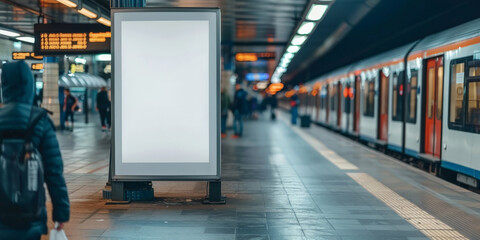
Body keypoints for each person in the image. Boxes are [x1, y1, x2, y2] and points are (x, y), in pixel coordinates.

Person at [0, 61, 70, 239]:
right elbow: (54, 172)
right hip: (31, 214)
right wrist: (60, 212)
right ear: (29, 85)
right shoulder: (40, 120)